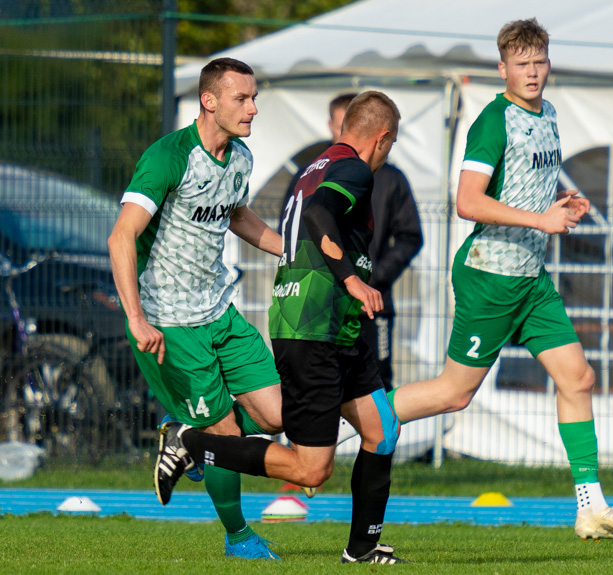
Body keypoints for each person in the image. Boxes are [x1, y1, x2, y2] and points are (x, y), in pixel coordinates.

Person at [387, 18, 613, 541]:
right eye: (522, 63)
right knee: (452, 394)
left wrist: (558, 204)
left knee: (577, 378)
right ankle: (356, 412)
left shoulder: (549, 113)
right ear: (502, 68)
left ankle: (592, 507)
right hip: (489, 276)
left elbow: (523, 187)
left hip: (530, 278)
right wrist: (541, 220)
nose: (532, 72)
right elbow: (468, 202)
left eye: (540, 62)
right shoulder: (493, 120)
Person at [156, 90, 408, 564]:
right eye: (389, 147)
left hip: (336, 328)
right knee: (312, 471)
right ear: (383, 138)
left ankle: (363, 549)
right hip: (313, 331)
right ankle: (189, 441)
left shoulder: (314, 167)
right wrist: (352, 279)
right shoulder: (353, 168)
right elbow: (317, 217)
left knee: (382, 431)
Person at [107, 57, 284, 560]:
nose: (253, 107)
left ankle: (189, 438)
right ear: (209, 100)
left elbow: (238, 216)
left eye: (254, 97)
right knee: (225, 431)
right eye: (242, 98)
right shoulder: (169, 157)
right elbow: (121, 236)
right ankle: (238, 538)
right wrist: (137, 318)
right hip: (171, 323)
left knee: (274, 417)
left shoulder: (242, 158)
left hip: (219, 312)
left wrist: (291, 251)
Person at [283, 93, 423, 392]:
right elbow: (313, 216)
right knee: (311, 408)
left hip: (362, 306)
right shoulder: (341, 169)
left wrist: (372, 279)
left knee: (373, 400)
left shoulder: (386, 177)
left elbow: (411, 237)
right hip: (322, 308)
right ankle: (201, 438)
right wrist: (350, 279)